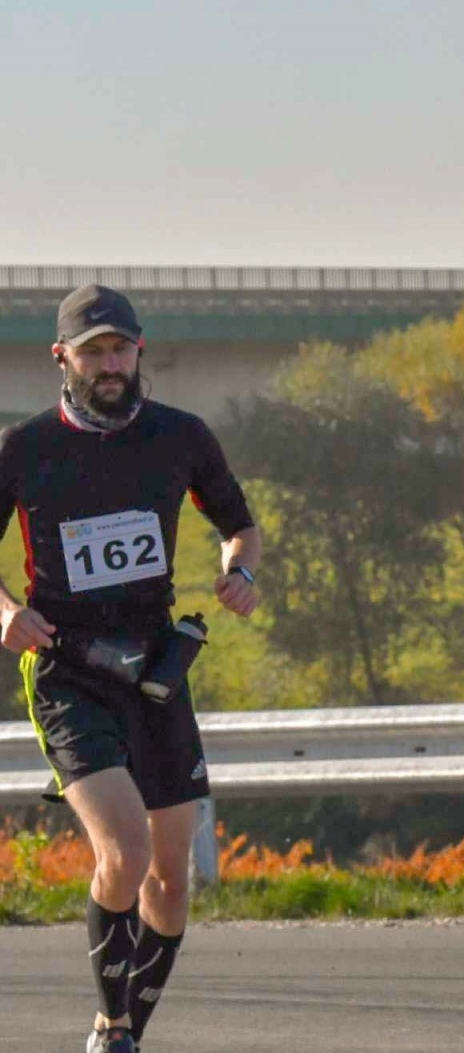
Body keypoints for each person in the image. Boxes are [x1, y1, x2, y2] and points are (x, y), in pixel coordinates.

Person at [0, 284, 262, 1053]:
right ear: (63, 359)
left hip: (154, 667)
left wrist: (238, 570)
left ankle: (128, 1035)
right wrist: (7, 613)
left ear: (139, 351)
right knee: (126, 851)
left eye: (121, 349)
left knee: (172, 881)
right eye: (94, 352)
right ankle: (111, 1024)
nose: (110, 365)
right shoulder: (25, 448)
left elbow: (238, 524)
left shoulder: (182, 436)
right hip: (66, 668)